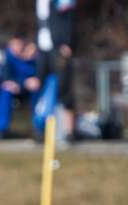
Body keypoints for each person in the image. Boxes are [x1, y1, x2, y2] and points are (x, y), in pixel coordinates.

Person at [36, 0, 76, 140]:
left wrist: (67, 42)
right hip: (42, 48)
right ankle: (40, 129)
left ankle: (69, 131)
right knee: (38, 86)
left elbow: (69, 19)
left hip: (59, 46)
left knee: (64, 88)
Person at [0, 36, 40, 139]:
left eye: (19, 44)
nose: (16, 48)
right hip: (13, 88)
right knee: (5, 91)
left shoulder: (34, 58)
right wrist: (21, 83)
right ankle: (0, 129)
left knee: (36, 91)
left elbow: (38, 75)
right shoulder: (7, 57)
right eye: (13, 45)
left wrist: (31, 59)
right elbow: (4, 77)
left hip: (30, 90)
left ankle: (39, 128)